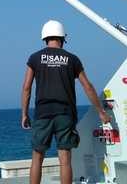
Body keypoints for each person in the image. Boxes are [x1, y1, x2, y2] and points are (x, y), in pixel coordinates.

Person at [21, 20, 111, 184]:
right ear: (63, 38)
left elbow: (26, 88)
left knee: (37, 158)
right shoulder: (72, 59)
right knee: (65, 160)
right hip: (65, 114)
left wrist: (24, 114)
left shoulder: (35, 58)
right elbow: (87, 86)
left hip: (42, 114)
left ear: (45, 38)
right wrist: (101, 112)